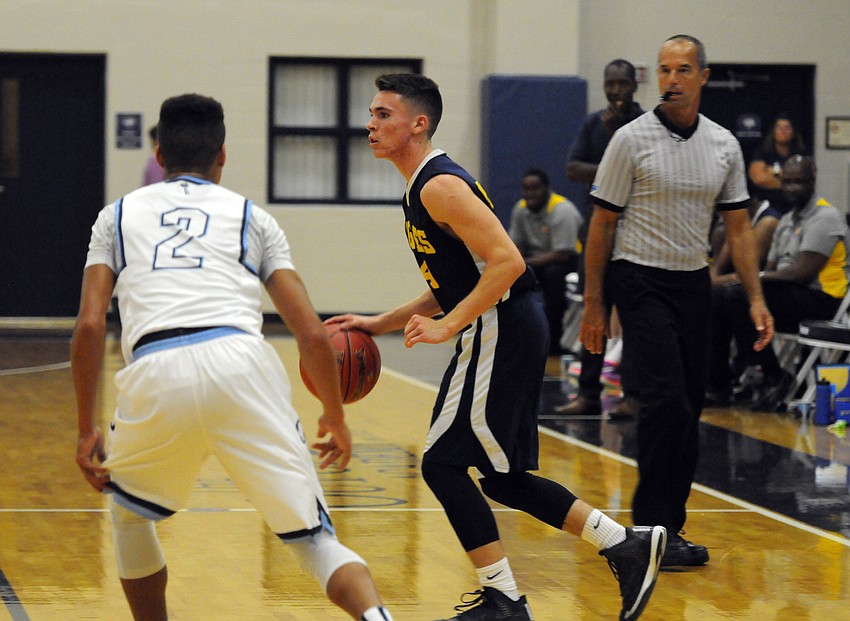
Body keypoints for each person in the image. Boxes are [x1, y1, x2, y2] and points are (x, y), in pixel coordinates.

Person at [328, 73, 665, 621]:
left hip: (501, 324)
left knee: (442, 465)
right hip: (504, 322)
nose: (370, 123)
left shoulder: (439, 185)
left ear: (418, 123)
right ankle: (622, 545)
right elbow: (453, 281)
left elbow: (508, 262)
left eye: (383, 114)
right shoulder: (422, 185)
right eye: (371, 113)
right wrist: (380, 323)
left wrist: (448, 326)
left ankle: (505, 598)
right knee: (500, 477)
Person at [72, 94, 393, 621]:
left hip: (157, 369)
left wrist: (86, 428)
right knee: (312, 540)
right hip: (242, 363)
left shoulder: (117, 216)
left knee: (130, 518)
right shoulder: (252, 217)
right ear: (222, 155)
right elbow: (311, 332)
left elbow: (88, 327)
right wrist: (335, 415)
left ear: (158, 151)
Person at [580, 35, 774, 567]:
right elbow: (601, 223)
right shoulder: (630, 139)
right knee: (664, 402)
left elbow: (739, 229)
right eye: (664, 70)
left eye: (683, 69)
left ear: (703, 77)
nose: (671, 79)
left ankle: (670, 530)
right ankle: (646, 530)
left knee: (690, 410)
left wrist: (756, 299)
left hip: (694, 284)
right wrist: (595, 302)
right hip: (638, 278)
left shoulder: (724, 145)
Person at [708, 155, 849, 411]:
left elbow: (801, 274)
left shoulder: (825, 216)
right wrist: (751, 282)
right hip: (788, 296)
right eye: (787, 182)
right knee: (722, 295)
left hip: (820, 299)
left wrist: (751, 280)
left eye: (799, 182)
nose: (792, 188)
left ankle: (773, 375)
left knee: (739, 295)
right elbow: (772, 271)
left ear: (812, 180)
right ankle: (719, 383)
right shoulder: (786, 221)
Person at [560, 59, 644, 419]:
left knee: (633, 314)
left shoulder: (645, 124)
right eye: (610, 84)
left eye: (622, 84)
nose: (615, 91)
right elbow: (572, 167)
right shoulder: (593, 122)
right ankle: (588, 393)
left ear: (633, 85)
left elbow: (643, 171)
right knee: (592, 309)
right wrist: (611, 167)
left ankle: (633, 394)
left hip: (634, 229)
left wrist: (618, 137)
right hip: (597, 230)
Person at [508, 168, 582, 355]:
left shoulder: (561, 210)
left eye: (535, 188)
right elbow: (515, 246)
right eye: (526, 189)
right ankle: (513, 335)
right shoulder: (521, 208)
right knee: (509, 276)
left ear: (547, 189)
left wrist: (524, 263)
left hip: (571, 263)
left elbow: (562, 254)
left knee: (553, 275)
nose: (530, 194)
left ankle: (554, 342)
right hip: (537, 262)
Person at [747, 115, 807, 213]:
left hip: (795, 206)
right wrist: (789, 181)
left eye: (787, 128)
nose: (783, 131)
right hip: (766, 205)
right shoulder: (763, 152)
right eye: (779, 127)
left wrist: (773, 172)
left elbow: (803, 183)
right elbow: (759, 179)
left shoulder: (801, 153)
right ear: (773, 132)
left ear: (793, 132)